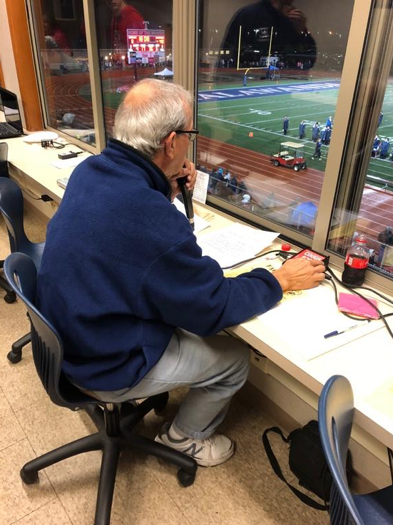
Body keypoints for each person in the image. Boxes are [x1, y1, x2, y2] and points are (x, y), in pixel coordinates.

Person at [36, 79, 325, 467]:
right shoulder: (149, 216)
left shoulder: (92, 170)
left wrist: (164, 190)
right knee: (235, 358)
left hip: (72, 330)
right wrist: (280, 279)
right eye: (190, 135)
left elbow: (132, 240)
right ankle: (183, 439)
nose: (191, 144)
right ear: (171, 143)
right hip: (101, 360)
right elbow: (212, 308)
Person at [222, 1, 316, 69]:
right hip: (249, 83)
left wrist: (301, 31)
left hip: (283, 86)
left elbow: (309, 61)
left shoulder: (294, 21)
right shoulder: (249, 15)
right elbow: (227, 55)